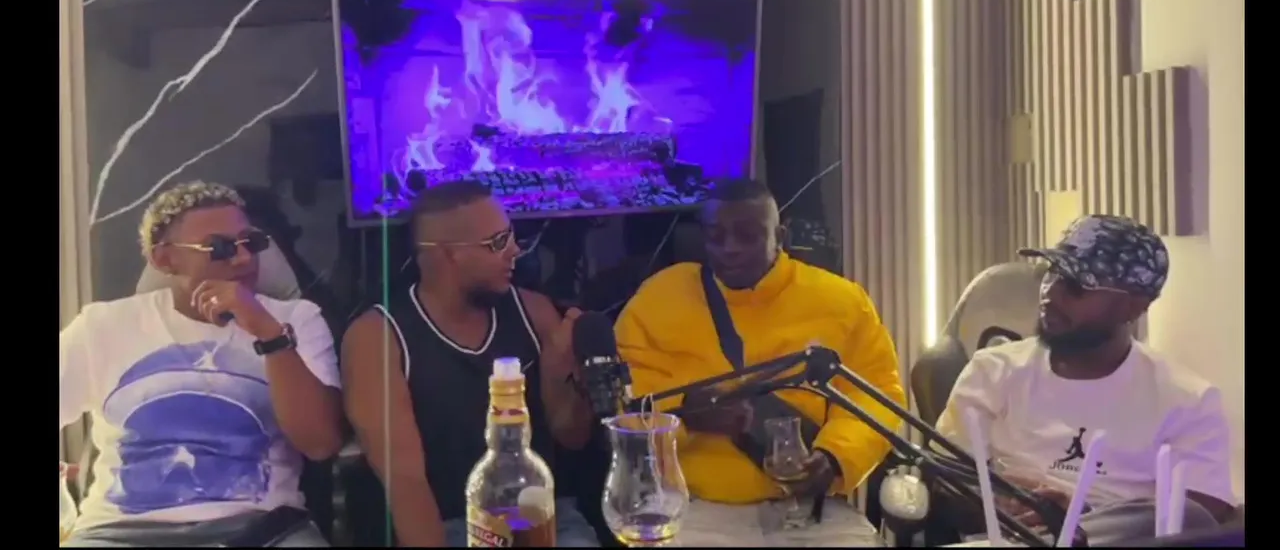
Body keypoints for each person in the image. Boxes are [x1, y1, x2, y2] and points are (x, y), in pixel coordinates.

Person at [615, 178, 904, 547]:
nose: (729, 248)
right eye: (716, 236)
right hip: (693, 508)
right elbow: (624, 404)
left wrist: (836, 456)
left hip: (812, 512)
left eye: (748, 236)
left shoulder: (841, 301)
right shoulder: (658, 299)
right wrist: (685, 414)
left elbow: (878, 394)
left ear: (779, 237)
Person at [59, 181, 344, 547]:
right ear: (164, 259)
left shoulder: (296, 320)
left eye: (251, 242)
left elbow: (321, 443)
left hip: (261, 529)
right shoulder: (102, 327)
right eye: (220, 248)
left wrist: (268, 333)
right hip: (119, 533)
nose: (243, 258)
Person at [936, 214, 1238, 545]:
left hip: (1114, 541)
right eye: (1051, 273)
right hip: (1002, 538)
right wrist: (1000, 497)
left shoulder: (1188, 400)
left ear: (1132, 306)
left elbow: (1201, 516)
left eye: (1076, 286)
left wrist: (1079, 513)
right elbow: (942, 477)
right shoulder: (992, 370)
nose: (1051, 293)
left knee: (1181, 514)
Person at [341, 180, 600, 547]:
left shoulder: (534, 311)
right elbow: (405, 485)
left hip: (543, 517)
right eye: (498, 242)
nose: (515, 251)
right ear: (449, 255)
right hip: (450, 525)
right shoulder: (377, 337)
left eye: (511, 235)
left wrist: (566, 375)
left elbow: (572, 437)